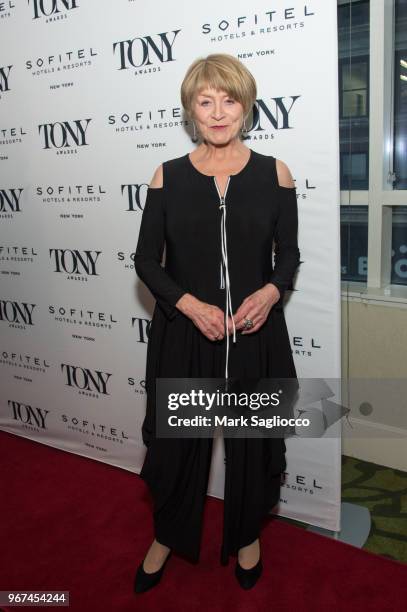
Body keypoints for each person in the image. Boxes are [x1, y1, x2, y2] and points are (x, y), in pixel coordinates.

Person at [133, 53, 300, 593]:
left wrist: (273, 292)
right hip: (186, 333)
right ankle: (167, 534)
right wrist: (187, 303)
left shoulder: (276, 173)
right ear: (191, 110)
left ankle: (247, 533)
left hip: (254, 335)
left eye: (230, 100)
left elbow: (288, 256)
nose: (219, 112)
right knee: (179, 446)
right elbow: (146, 261)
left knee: (252, 442)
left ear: (246, 106)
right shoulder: (167, 176)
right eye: (206, 101)